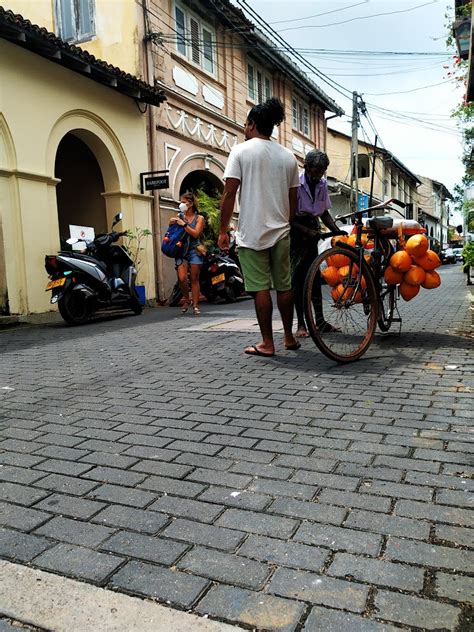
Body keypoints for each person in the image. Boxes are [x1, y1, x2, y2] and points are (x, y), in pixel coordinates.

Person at [218, 97, 300, 357]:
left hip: (252, 233)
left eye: (246, 124)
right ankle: (288, 337)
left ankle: (267, 343)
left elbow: (229, 194)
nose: (244, 128)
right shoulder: (288, 156)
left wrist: (222, 230)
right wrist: (287, 222)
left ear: (252, 124)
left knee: (261, 288)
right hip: (281, 231)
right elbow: (293, 201)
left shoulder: (240, 151)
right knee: (284, 286)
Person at [291, 149, 341, 338]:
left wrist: (336, 231)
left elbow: (324, 213)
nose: (319, 174)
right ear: (307, 166)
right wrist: (306, 231)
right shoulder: (295, 183)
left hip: (312, 229)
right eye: (316, 170)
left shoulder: (321, 185)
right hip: (296, 231)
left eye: (322, 171)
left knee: (314, 278)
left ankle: (320, 321)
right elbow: (288, 217)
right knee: (298, 279)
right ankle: (301, 324)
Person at [169, 192, 205, 315]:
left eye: (184, 202)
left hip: (195, 250)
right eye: (181, 202)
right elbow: (173, 232)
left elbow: (196, 233)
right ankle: (186, 299)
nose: (181, 204)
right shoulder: (179, 215)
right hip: (180, 250)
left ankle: (195, 305)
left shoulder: (199, 218)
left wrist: (183, 224)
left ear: (191, 203)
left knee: (194, 278)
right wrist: (172, 223)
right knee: (182, 278)